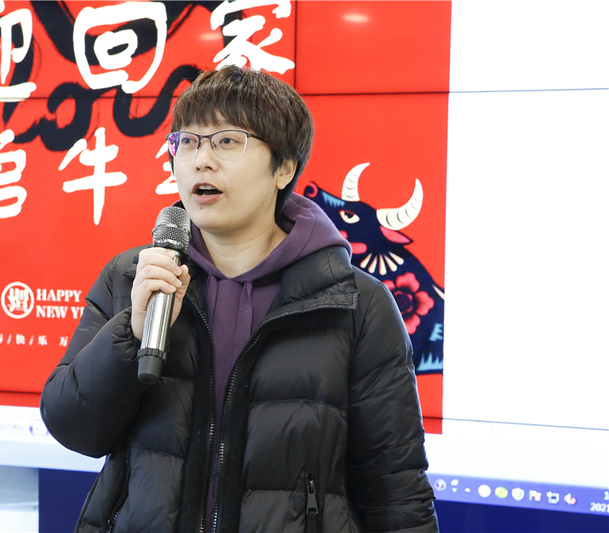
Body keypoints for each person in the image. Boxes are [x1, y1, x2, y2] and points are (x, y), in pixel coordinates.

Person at [40, 66, 439, 533]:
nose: (201, 161)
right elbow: (74, 429)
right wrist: (131, 334)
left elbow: (396, 488)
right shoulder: (133, 277)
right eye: (187, 142)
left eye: (227, 141)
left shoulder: (355, 303)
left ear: (284, 168)